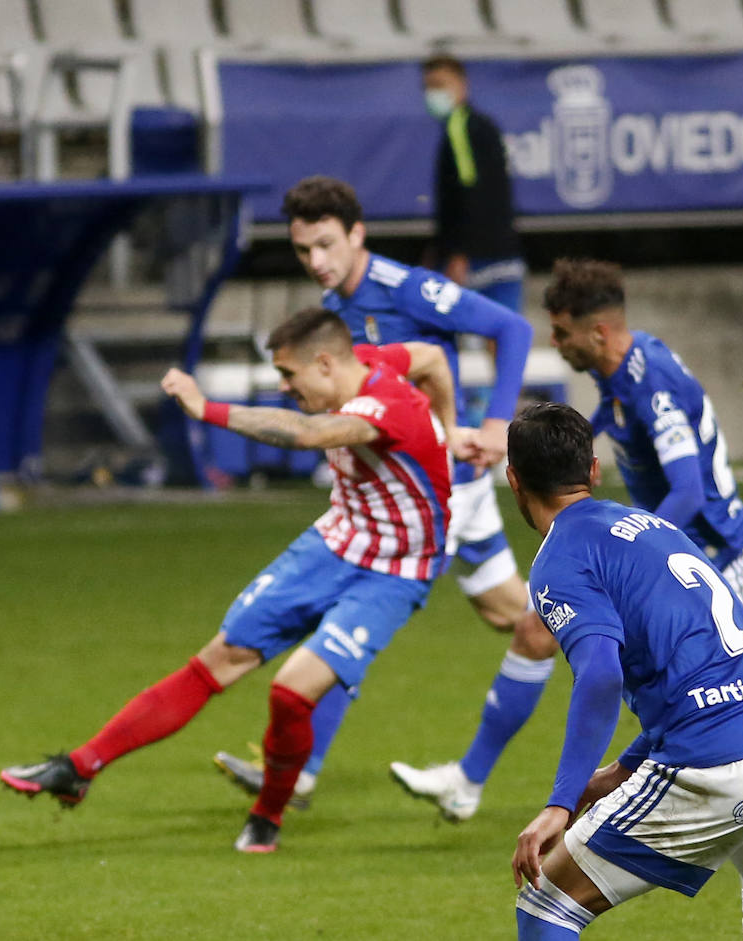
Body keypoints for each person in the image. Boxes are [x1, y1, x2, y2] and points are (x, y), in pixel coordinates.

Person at [393, 258, 743, 821]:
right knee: (533, 630)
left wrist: (634, 549)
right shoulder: (616, 372)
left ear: (598, 330)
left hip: (720, 551)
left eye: (562, 332)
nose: (555, 342)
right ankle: (467, 781)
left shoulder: (651, 384)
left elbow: (689, 491)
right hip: (667, 551)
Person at [0, 309, 462, 853]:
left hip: (395, 572)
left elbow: (307, 434)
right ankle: (80, 766)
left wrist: (205, 408)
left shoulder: (386, 407)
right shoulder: (368, 361)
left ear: (323, 363)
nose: (286, 389)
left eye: (290, 378)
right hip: (334, 542)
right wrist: (452, 433)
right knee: (217, 659)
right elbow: (432, 358)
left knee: (291, 693)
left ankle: (267, 816)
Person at [214, 176, 552, 821]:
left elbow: (509, 327)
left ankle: (302, 770)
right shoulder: (330, 302)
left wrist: (495, 424)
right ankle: (628, 662)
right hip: (425, 484)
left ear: (357, 234)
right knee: (521, 619)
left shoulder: (407, 289)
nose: (316, 260)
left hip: (433, 486)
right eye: (304, 248)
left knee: (352, 612)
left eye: (326, 244)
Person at [505, 402, 743, 941]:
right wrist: (625, 767)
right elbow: (706, 661)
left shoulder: (560, 558)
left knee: (548, 905)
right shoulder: (658, 530)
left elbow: (602, 675)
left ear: (514, 480)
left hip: (714, 762)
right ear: (593, 469)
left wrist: (559, 805)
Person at [422, 54, 525, 313]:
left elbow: (472, 191)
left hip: (477, 257)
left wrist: (459, 252)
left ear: (461, 85)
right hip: (504, 249)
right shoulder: (484, 126)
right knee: (504, 330)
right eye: (428, 87)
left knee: (439, 323)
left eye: (439, 85)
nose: (433, 93)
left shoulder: (460, 127)